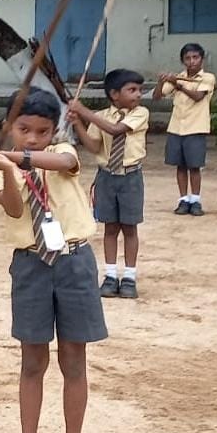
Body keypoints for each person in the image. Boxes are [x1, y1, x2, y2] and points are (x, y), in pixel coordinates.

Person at [0, 87, 106, 433]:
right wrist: (3, 170)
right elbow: (14, 209)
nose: (32, 137)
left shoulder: (63, 153)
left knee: (73, 360)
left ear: (55, 130)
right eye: (23, 129)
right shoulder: (2, 169)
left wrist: (12, 156)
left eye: (42, 130)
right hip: (31, 265)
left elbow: (60, 161)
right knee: (32, 362)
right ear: (8, 126)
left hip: (73, 262)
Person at [68, 69, 149, 299]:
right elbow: (94, 147)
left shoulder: (140, 113)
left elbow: (115, 130)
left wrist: (84, 111)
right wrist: (78, 123)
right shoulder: (102, 116)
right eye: (132, 90)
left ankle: (130, 277)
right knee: (110, 227)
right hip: (106, 176)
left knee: (130, 227)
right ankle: (111, 275)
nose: (138, 95)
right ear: (114, 94)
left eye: (139, 90)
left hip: (130, 177)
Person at [153, 43, 216, 216]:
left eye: (195, 58)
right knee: (180, 166)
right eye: (187, 58)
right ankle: (183, 200)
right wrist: (161, 81)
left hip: (196, 128)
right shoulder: (179, 77)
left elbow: (198, 97)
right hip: (176, 127)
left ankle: (195, 200)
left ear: (202, 59)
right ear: (182, 61)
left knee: (194, 166)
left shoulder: (207, 78)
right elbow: (157, 97)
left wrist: (178, 85)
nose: (192, 62)